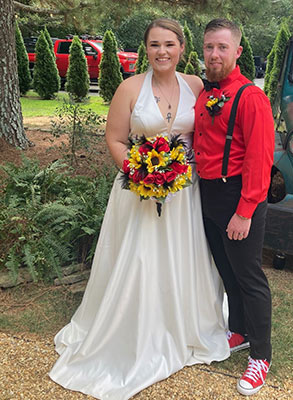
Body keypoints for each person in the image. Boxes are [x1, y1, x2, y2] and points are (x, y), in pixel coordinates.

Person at [49, 18, 229, 400]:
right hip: (138, 191)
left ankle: (182, 324)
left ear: (182, 48)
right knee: (141, 258)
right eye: (154, 45)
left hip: (185, 193)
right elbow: (115, 138)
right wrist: (139, 173)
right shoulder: (129, 88)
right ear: (145, 49)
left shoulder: (196, 86)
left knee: (183, 257)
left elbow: (207, 134)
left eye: (169, 44)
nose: (162, 51)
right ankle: (133, 326)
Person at [193, 18, 275, 396]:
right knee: (226, 269)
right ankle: (239, 331)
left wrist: (244, 211)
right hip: (208, 194)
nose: (214, 54)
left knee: (249, 275)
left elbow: (260, 160)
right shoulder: (205, 91)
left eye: (222, 47)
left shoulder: (251, 97)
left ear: (237, 51)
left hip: (240, 196)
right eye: (209, 47)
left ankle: (261, 355)